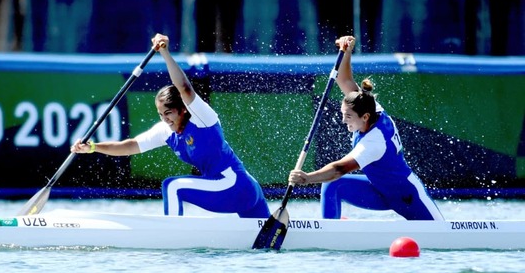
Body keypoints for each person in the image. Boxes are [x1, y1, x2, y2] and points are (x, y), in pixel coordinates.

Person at [71, 33, 270, 219]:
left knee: (172, 186)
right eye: (160, 114)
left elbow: (184, 87)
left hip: (234, 186)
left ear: (182, 109)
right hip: (245, 188)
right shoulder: (166, 131)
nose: (165, 119)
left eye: (168, 113)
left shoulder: (202, 118)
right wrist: (94, 147)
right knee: (265, 246)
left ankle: (172, 236)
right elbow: (130, 145)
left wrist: (164, 52)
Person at [288, 35, 444, 221]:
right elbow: (345, 80)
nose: (344, 121)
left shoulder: (375, 141)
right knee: (332, 185)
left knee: (447, 237)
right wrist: (347, 52)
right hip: (378, 191)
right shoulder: (369, 105)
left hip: (408, 196)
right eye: (342, 114)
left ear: (365, 117)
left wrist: (307, 178)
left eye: (348, 117)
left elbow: (339, 169)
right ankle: (330, 232)